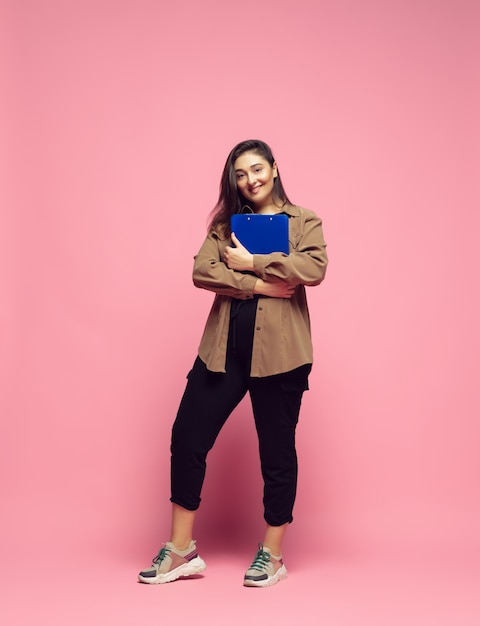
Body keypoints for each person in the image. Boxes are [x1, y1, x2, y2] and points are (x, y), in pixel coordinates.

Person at [138, 139, 328, 587]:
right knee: (187, 437)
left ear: (275, 169)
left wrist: (252, 261)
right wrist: (261, 282)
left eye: (257, 169)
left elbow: (314, 269)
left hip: (281, 358)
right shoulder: (226, 226)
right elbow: (202, 271)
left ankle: (273, 553)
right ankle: (181, 549)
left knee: (277, 455)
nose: (250, 180)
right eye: (241, 174)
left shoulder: (304, 221)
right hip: (221, 352)